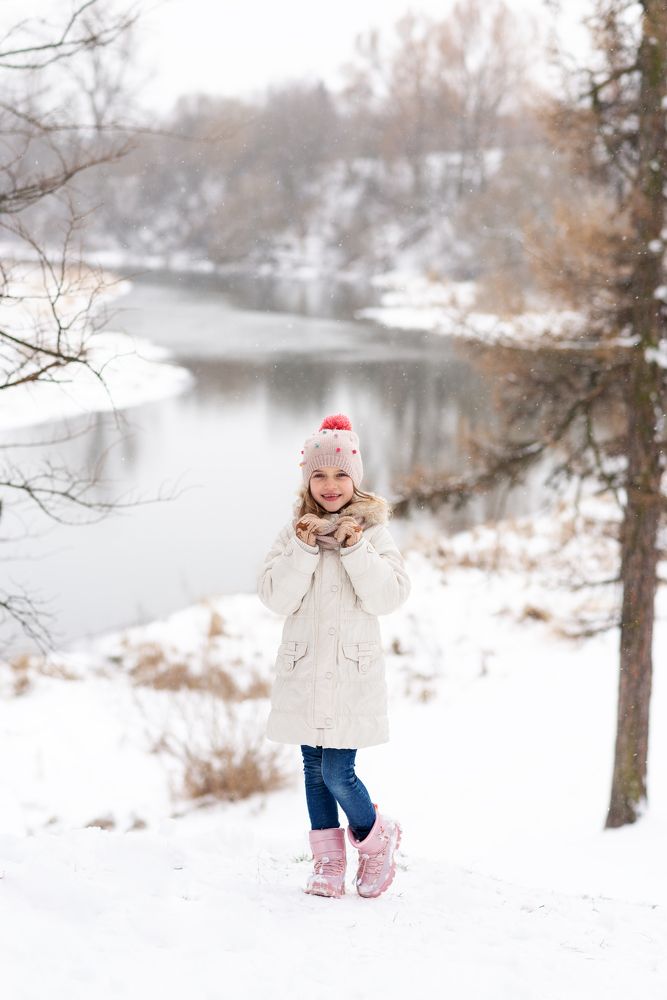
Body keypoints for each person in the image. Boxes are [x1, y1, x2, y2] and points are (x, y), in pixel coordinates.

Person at [257, 413, 411, 899]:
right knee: (312, 768)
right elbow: (275, 598)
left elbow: (389, 597)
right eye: (319, 475)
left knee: (335, 771)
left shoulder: (373, 533)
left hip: (349, 675)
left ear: (356, 479)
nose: (329, 485)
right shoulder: (292, 533)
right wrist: (301, 552)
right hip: (305, 670)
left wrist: (355, 550)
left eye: (340, 474)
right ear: (307, 479)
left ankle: (374, 838)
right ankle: (327, 863)